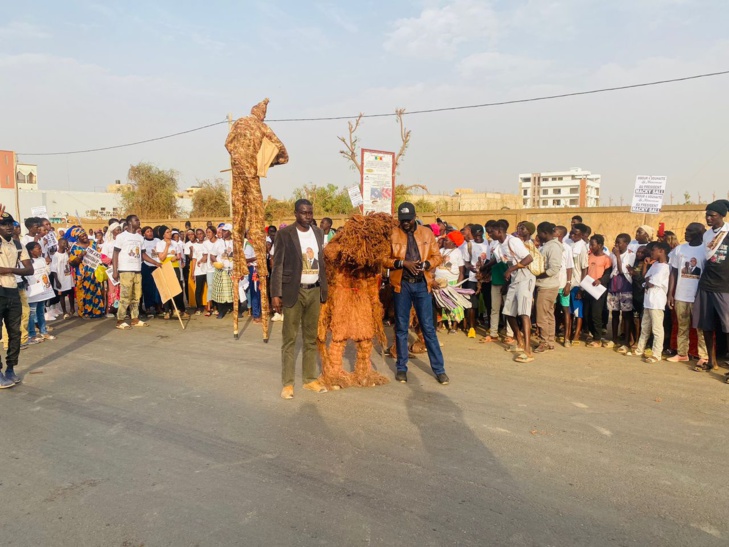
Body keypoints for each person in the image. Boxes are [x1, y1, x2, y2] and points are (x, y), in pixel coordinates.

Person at [271, 199, 329, 399]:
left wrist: (324, 291)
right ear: (295, 213)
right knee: (289, 339)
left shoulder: (319, 233)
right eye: (304, 213)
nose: (308, 216)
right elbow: (277, 265)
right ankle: (287, 384)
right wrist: (275, 294)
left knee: (311, 338)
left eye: (310, 213)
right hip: (293, 291)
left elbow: (322, 263)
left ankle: (309, 379)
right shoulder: (284, 235)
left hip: (314, 290)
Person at [384, 202, 447, 384]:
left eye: (408, 220)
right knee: (402, 328)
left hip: (422, 285)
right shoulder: (393, 234)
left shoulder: (426, 233)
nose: (405, 223)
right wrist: (402, 263)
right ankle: (401, 368)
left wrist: (426, 265)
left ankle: (439, 369)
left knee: (428, 328)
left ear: (414, 217)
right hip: (401, 285)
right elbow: (383, 259)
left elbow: (437, 256)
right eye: (402, 220)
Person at [485, 220, 535, 363]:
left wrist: (510, 270)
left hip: (525, 278)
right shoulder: (499, 246)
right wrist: (484, 268)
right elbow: (500, 261)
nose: (489, 234)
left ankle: (528, 351)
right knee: (508, 312)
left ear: (500, 231)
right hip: (513, 280)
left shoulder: (513, 241)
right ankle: (519, 342)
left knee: (524, 313)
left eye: (491, 232)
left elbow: (528, 258)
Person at [692, 200, 729, 377]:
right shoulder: (707, 236)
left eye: (712, 215)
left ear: (722, 216)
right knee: (706, 325)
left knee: (727, 326)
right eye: (707, 215)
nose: (708, 218)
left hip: (724, 286)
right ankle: (711, 360)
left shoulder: (728, 233)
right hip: (706, 284)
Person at [0, 210, 33, 388]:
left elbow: (29, 270)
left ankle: (10, 368)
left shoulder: (18, 245)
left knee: (15, 333)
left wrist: (7, 270)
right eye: (4, 224)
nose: (8, 227)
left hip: (13, 291)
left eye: (11, 224)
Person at [667, 222, 708, 365]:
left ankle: (704, 356)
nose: (686, 233)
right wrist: (670, 294)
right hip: (681, 296)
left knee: (700, 328)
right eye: (686, 230)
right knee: (682, 326)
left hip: (698, 296)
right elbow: (673, 272)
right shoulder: (679, 249)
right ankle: (682, 353)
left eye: (690, 231)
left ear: (699, 233)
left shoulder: (705, 250)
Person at [631, 241, 671, 363]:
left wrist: (648, 282)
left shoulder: (665, 267)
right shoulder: (654, 265)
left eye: (654, 250)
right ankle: (640, 348)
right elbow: (646, 278)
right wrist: (647, 281)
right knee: (645, 326)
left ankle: (656, 353)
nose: (651, 253)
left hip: (657, 301)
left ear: (661, 251)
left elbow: (652, 282)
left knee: (657, 328)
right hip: (648, 300)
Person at [113, 215, 153, 329]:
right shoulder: (121, 237)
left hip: (137, 270)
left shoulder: (140, 238)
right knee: (125, 296)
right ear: (130, 222)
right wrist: (115, 271)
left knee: (137, 296)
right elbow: (115, 253)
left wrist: (156, 263)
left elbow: (143, 255)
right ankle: (120, 320)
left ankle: (135, 318)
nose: (139, 221)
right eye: (136, 220)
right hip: (125, 270)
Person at [534, 222, 562, 352]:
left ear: (544, 233)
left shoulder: (554, 247)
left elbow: (554, 268)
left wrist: (538, 276)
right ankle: (550, 340)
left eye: (539, 233)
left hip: (547, 286)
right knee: (549, 313)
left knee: (542, 315)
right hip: (545, 285)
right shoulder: (547, 246)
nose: (538, 235)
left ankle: (544, 341)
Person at [67, 227, 105, 318]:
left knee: (96, 291)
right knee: (83, 292)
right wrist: (80, 256)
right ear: (77, 237)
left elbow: (100, 255)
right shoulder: (74, 247)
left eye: (85, 234)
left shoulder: (93, 244)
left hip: (94, 273)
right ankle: (85, 312)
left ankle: (97, 312)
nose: (84, 237)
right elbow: (72, 263)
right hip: (82, 275)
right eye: (82, 236)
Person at [608, 234, 636, 352]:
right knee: (614, 313)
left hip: (625, 285)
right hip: (614, 285)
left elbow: (622, 270)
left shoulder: (630, 255)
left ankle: (626, 341)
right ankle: (614, 339)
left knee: (626, 315)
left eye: (619, 242)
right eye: (616, 242)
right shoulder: (612, 254)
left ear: (626, 243)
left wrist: (618, 255)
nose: (617, 245)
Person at [25, 241, 57, 344]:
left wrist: (47, 264)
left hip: (42, 291)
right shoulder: (26, 262)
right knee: (32, 314)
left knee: (41, 312)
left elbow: (47, 272)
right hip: (33, 291)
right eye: (38, 249)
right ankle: (32, 334)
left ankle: (43, 331)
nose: (40, 250)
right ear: (31, 251)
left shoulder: (42, 259)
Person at [435, 230, 466, 334]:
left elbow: (461, 271)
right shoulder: (441, 250)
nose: (444, 242)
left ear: (453, 242)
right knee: (440, 303)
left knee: (453, 304)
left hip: (452, 282)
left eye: (447, 240)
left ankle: (454, 325)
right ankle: (441, 322)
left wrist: (458, 285)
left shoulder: (457, 252)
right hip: (439, 281)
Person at [156, 225, 189, 320]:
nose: (169, 233)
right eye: (167, 232)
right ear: (163, 234)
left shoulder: (176, 243)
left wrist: (176, 257)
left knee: (176, 288)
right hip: (165, 266)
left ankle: (178, 309)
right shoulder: (160, 244)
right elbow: (161, 257)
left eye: (170, 231)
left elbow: (179, 255)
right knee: (167, 289)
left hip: (175, 267)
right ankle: (167, 310)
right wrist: (167, 246)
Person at [584, 235, 612, 347]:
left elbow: (608, 273)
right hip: (587, 287)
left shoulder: (606, 259)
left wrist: (600, 280)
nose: (590, 246)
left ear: (600, 245)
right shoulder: (589, 256)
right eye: (590, 244)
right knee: (587, 313)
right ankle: (591, 333)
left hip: (598, 289)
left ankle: (597, 338)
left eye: (593, 244)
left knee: (596, 314)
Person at [463, 224, 489, 339]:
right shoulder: (469, 245)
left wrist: (486, 270)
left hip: (487, 278)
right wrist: (470, 268)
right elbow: (466, 262)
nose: (478, 237)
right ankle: (472, 327)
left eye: (479, 235)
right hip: (473, 278)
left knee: (489, 303)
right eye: (475, 235)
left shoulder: (488, 243)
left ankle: (490, 327)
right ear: (472, 234)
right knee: (472, 304)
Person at [568, 223, 590, 345]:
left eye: (575, 233)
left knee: (578, 311)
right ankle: (569, 331)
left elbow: (584, 268)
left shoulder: (582, 247)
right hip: (568, 282)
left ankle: (577, 333)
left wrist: (582, 287)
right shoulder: (569, 244)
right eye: (572, 232)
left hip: (577, 283)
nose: (572, 235)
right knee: (569, 310)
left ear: (581, 235)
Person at [553, 226, 573, 348]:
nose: (553, 232)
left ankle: (566, 337)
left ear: (560, 234)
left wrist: (568, 283)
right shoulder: (550, 245)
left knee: (566, 310)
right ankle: (552, 332)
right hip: (552, 284)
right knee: (553, 309)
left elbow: (569, 267)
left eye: (555, 231)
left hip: (563, 283)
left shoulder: (567, 248)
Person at [210, 224, 235, 319]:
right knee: (220, 292)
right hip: (221, 270)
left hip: (232, 270)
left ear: (230, 232)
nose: (223, 232)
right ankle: (221, 311)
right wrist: (216, 262)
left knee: (233, 291)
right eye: (222, 231)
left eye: (225, 231)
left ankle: (236, 310)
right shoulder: (218, 243)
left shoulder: (235, 242)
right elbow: (212, 255)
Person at [141, 226, 162, 317]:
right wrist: (153, 262)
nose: (150, 233)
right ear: (144, 234)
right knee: (147, 287)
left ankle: (158, 306)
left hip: (157, 266)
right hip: (147, 266)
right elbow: (143, 255)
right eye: (147, 231)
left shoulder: (157, 241)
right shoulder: (142, 242)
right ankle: (148, 307)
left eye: (151, 231)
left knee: (158, 287)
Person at [51, 238, 75, 318]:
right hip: (60, 278)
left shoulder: (67, 254)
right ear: (59, 244)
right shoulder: (56, 256)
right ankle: (65, 311)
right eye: (63, 243)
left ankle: (72, 308)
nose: (65, 245)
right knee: (62, 295)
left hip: (68, 277)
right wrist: (57, 281)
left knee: (71, 293)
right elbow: (53, 269)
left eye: (66, 243)